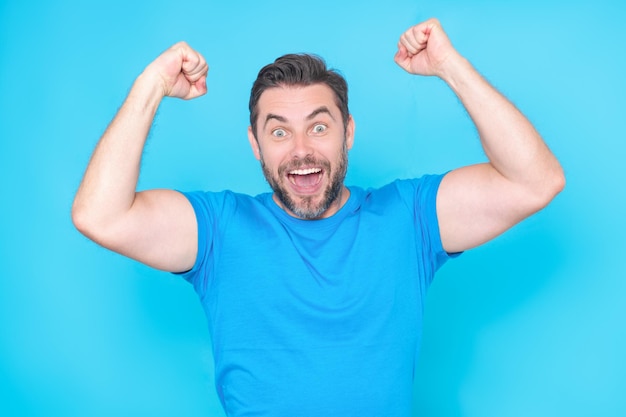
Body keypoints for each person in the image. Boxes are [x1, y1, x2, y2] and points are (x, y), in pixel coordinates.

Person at [72, 18, 564, 417]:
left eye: (320, 126)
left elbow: (535, 181)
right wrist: (151, 85)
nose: (302, 150)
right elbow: (100, 215)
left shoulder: (410, 217)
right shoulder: (218, 228)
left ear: (348, 133)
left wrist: (450, 67)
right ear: (255, 144)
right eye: (279, 132)